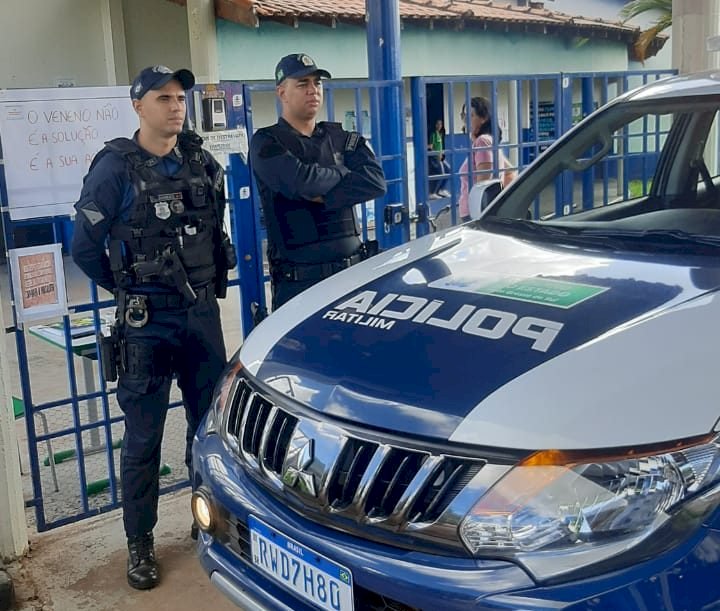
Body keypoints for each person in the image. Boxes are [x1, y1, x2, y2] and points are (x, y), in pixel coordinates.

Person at [71, 65, 236, 591]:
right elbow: (84, 249)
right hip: (145, 323)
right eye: (163, 97)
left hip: (201, 319)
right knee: (143, 439)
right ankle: (139, 543)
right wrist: (128, 290)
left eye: (180, 97)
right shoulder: (114, 168)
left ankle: (205, 517)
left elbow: (216, 232)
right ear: (138, 105)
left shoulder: (201, 163)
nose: (175, 105)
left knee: (207, 428)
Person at [249, 53, 387, 310]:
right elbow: (303, 182)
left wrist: (324, 196)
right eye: (302, 84)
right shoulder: (266, 142)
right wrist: (343, 171)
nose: (313, 90)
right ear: (282, 93)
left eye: (317, 83)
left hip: (351, 278)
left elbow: (376, 182)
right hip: (300, 284)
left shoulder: (343, 138)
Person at [458, 97, 516, 222]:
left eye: (471, 115)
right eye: (464, 115)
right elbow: (510, 171)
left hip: (475, 212)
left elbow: (482, 184)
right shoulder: (487, 141)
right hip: (481, 210)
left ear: (483, 119)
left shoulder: (483, 142)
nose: (465, 120)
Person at [427, 118, 451, 199]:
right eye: (437, 124)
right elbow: (430, 146)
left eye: (440, 124)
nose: (439, 126)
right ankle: (432, 192)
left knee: (448, 169)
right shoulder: (433, 134)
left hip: (440, 157)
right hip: (436, 157)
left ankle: (441, 189)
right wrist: (436, 155)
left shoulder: (440, 134)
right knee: (441, 172)